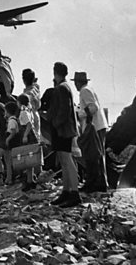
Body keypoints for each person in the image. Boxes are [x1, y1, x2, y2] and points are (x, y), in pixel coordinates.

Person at [48, 62, 80, 208]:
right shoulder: (66, 87)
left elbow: (64, 110)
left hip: (62, 129)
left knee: (67, 160)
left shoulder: (61, 88)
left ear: (55, 73)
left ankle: (74, 193)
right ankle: (67, 191)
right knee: (64, 160)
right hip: (64, 128)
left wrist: (55, 123)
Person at [72, 72, 108, 193]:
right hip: (98, 126)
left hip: (93, 127)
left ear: (78, 83)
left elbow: (93, 107)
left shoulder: (84, 91)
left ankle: (93, 184)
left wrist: (79, 114)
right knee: (98, 155)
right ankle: (101, 183)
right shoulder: (89, 89)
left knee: (92, 156)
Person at [17, 93, 39, 191]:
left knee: (27, 159)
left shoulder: (23, 112)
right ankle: (30, 180)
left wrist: (25, 135)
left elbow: (29, 125)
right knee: (30, 160)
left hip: (28, 136)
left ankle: (30, 181)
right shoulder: (29, 111)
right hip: (32, 136)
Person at [4, 101, 21, 185]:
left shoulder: (11, 121)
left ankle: (9, 178)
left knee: (9, 161)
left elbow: (13, 131)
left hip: (12, 143)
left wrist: (7, 139)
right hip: (15, 142)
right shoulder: (16, 119)